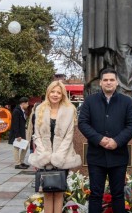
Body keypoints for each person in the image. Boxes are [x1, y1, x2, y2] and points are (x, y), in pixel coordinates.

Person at [78, 68, 132, 213]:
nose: (109, 82)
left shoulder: (127, 102)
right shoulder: (90, 101)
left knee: (118, 194)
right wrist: (99, 139)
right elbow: (83, 123)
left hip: (118, 156)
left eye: (112, 80)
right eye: (105, 80)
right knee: (95, 194)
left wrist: (117, 141)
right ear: (100, 83)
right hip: (96, 156)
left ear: (117, 82)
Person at [28, 80, 81, 213]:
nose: (55, 94)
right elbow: (36, 135)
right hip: (44, 156)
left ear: (63, 94)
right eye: (53, 91)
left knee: (58, 192)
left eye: (59, 92)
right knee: (46, 192)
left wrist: (58, 156)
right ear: (48, 92)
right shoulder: (40, 109)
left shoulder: (70, 110)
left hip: (62, 157)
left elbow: (69, 136)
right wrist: (44, 154)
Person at [8, 97, 30, 169]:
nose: (28, 105)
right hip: (17, 133)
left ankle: (21, 162)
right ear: (23, 103)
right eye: (27, 103)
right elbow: (15, 124)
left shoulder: (22, 110)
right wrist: (17, 135)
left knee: (25, 146)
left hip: (22, 132)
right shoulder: (16, 111)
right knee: (16, 147)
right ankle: (17, 164)